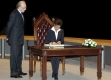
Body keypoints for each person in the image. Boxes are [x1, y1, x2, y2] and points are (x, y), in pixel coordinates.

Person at [6, 1, 27, 78]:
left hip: (20, 38)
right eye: (24, 8)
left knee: (18, 55)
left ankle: (18, 70)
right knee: (14, 56)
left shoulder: (20, 14)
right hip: (14, 38)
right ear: (19, 7)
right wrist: (7, 36)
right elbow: (9, 26)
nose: (25, 9)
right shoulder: (14, 14)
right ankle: (13, 73)